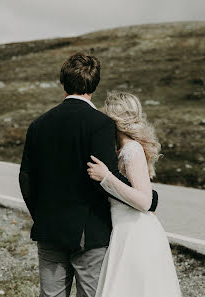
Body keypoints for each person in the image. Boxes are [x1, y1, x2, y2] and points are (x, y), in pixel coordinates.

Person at [19, 52, 158, 297]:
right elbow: (105, 177)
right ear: (94, 85)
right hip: (90, 235)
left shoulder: (37, 125)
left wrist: (41, 216)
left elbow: (26, 180)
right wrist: (150, 198)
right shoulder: (100, 124)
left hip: (49, 230)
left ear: (63, 83)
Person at [87, 91, 182, 297]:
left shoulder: (132, 150)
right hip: (123, 229)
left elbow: (145, 201)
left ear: (112, 118)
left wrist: (106, 177)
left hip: (136, 234)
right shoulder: (121, 150)